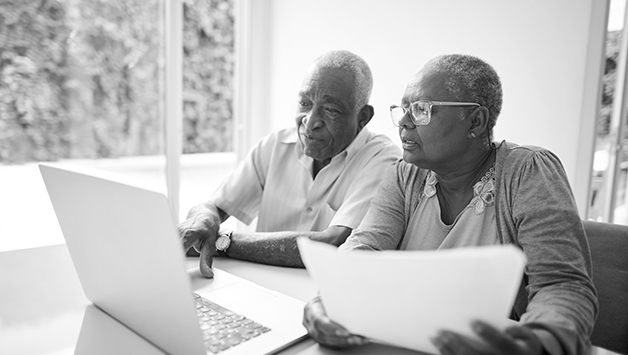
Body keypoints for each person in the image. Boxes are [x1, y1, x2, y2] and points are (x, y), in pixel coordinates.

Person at [303, 54, 598, 355]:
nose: (404, 122)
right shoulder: (406, 174)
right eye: (403, 109)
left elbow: (562, 285)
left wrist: (540, 339)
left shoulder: (528, 171)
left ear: (475, 121)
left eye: (421, 110)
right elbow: (363, 250)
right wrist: (325, 300)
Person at [179, 50, 400, 278]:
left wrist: (224, 242)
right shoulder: (276, 145)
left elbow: (335, 243)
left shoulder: (384, 161)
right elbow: (214, 207)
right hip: (258, 286)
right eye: (304, 103)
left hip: (320, 298)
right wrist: (203, 220)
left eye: (331, 110)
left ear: (363, 117)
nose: (310, 121)